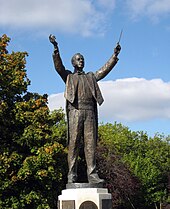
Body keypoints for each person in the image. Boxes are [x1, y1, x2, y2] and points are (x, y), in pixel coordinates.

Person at [49, 35, 121, 184]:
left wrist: (114, 56)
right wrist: (56, 49)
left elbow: (104, 70)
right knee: (73, 144)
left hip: (89, 113)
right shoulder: (68, 76)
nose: (81, 61)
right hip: (75, 111)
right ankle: (72, 175)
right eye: (78, 59)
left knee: (90, 145)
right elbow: (58, 67)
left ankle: (92, 174)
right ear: (73, 62)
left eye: (82, 59)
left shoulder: (91, 77)